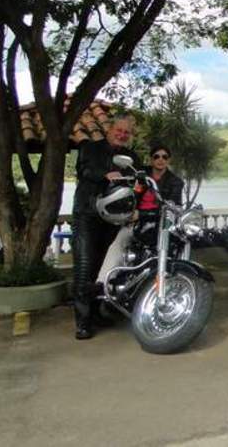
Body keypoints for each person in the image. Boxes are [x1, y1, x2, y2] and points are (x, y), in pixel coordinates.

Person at [71, 114, 140, 340]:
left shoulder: (130, 156)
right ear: (109, 129)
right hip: (87, 214)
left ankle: (95, 313)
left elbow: (136, 183)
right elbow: (84, 171)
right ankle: (82, 321)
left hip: (112, 219)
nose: (122, 134)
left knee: (101, 268)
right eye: (119, 130)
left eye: (126, 132)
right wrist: (105, 174)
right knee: (84, 265)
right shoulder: (90, 148)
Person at [97, 144, 184, 286]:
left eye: (164, 157)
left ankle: (173, 283)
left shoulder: (175, 182)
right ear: (151, 159)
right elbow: (130, 195)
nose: (160, 160)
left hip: (160, 224)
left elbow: (173, 208)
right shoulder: (141, 175)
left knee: (174, 249)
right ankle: (102, 283)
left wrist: (142, 214)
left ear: (168, 160)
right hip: (134, 221)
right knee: (117, 244)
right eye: (156, 156)